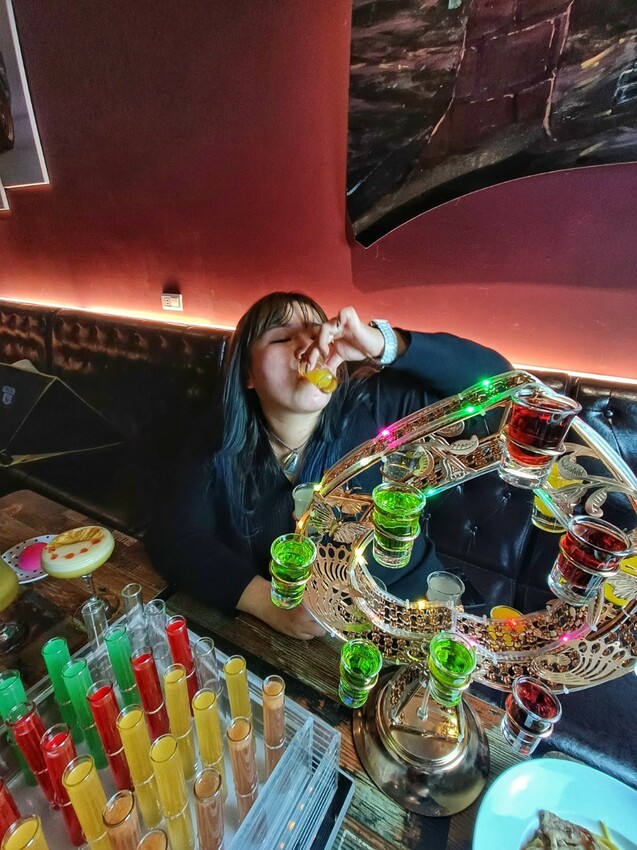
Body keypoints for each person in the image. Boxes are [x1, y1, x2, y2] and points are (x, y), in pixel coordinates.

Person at [146, 292, 511, 639]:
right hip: (310, 650)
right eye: (282, 338)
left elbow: (502, 388)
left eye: (316, 335)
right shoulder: (223, 442)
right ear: (248, 375)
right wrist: (267, 603)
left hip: (417, 622)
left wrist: (383, 344)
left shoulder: (374, 406)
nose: (308, 349)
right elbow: (173, 535)